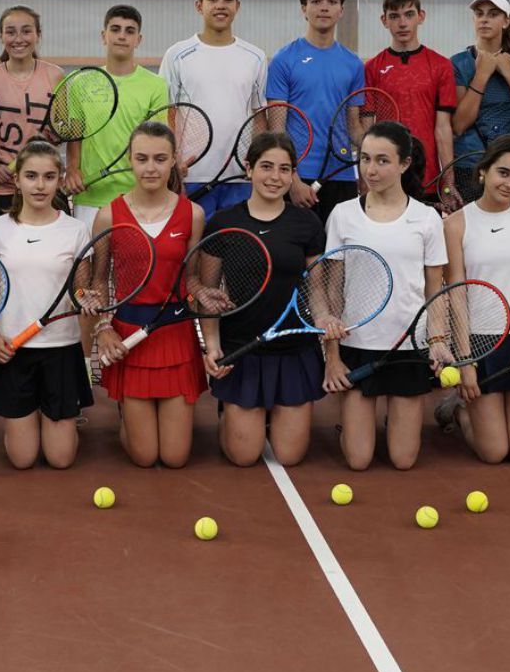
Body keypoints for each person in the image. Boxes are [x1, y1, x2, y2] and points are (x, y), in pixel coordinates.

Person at [322, 122, 448, 471]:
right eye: (364, 159)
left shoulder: (426, 219)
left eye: (382, 161)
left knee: (403, 460)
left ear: (404, 164)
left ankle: (392, 422)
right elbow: (333, 290)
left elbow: (435, 287)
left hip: (409, 347)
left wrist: (436, 338)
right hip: (357, 345)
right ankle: (350, 425)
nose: (370, 170)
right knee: (359, 461)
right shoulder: (343, 215)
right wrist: (332, 357)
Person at [201, 133, 328, 466]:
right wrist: (212, 345)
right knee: (243, 456)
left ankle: (266, 414)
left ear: (293, 175)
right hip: (242, 350)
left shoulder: (307, 224)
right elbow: (209, 294)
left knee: (290, 456)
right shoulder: (223, 223)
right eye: (267, 167)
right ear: (249, 169)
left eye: (285, 169)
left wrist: (325, 318)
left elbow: (316, 288)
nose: (275, 177)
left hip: (294, 349)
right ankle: (230, 415)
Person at [435, 136, 510, 464]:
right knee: (493, 453)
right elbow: (457, 294)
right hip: (481, 343)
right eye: (503, 173)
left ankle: (474, 410)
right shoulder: (457, 224)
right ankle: (461, 412)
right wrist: (465, 361)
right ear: (483, 172)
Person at [93, 122, 207, 468]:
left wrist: (206, 295)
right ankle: (129, 416)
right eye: (142, 158)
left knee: (174, 458)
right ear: (130, 159)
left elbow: (193, 280)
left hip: (175, 337)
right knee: (144, 457)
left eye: (160, 158)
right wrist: (103, 328)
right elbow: (97, 283)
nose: (150, 167)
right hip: (128, 334)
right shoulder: (108, 215)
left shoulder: (194, 214)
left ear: (174, 160)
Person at [0, 140, 93, 469]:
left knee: (60, 459)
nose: (40, 185)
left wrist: (89, 300)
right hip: (14, 350)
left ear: (60, 179)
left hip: (62, 349)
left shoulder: (76, 230)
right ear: (16, 180)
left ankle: (63, 423)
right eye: (31, 176)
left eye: (48, 176)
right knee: (23, 459)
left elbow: (81, 289)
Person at [160, 0, 268, 217]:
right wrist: (173, 160)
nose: (221, 6)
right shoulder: (176, 55)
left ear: (237, 6)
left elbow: (259, 116)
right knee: (193, 249)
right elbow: (168, 113)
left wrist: (255, 164)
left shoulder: (256, 57)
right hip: (191, 175)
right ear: (199, 6)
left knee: (235, 250)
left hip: (240, 178)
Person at [266, 0, 365, 223]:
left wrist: (381, 146)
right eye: (316, 0)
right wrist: (292, 179)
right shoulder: (283, 60)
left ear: (341, 10)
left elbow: (354, 128)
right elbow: (277, 131)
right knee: (299, 258)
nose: (324, 7)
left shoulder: (353, 64)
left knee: (336, 258)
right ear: (304, 8)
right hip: (298, 178)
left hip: (341, 176)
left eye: (332, 1)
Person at [66, 5, 170, 226]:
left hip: (137, 195)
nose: (122, 36)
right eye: (115, 29)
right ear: (104, 36)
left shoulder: (156, 86)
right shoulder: (81, 81)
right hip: (91, 196)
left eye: (129, 31)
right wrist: (73, 169)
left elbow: (157, 141)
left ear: (138, 39)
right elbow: (74, 135)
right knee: (88, 262)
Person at [365, 0, 457, 198]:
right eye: (394, 16)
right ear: (384, 20)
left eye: (409, 14)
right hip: (386, 175)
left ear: (421, 16)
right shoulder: (371, 68)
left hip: (427, 177)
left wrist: (448, 181)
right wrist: (365, 180)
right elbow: (368, 130)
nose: (402, 23)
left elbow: (443, 128)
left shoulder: (441, 66)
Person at [450, 0, 510, 206]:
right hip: (468, 164)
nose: (484, 19)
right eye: (479, 14)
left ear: (506, 21)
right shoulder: (459, 63)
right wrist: (481, 75)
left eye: (493, 14)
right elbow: (459, 124)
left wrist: (509, 71)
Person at [0, 6, 62, 223]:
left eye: (26, 31)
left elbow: (64, 129)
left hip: (46, 183)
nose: (18, 39)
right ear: (1, 36)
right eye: (10, 32)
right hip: (4, 185)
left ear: (38, 35)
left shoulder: (55, 75)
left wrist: (55, 136)